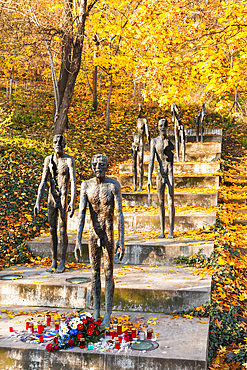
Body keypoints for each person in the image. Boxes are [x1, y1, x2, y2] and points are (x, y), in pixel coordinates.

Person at [74, 154, 125, 327]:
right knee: (94, 273)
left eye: (102, 164)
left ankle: (108, 312)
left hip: (108, 233)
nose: (98, 167)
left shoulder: (113, 185)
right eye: (95, 164)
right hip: (93, 233)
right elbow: (81, 212)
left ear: (107, 165)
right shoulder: (86, 185)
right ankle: (96, 310)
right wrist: (78, 239)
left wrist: (121, 240)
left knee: (108, 273)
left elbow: (119, 213)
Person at [34, 134, 76, 273]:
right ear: (52, 144)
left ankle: (62, 261)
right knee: (52, 230)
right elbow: (43, 181)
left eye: (60, 142)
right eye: (55, 142)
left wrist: (72, 201)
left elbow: (74, 181)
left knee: (62, 230)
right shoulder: (48, 160)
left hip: (63, 197)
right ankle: (53, 260)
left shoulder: (69, 160)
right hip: (52, 198)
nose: (57, 143)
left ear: (64, 144)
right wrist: (37, 201)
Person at [147, 119, 175, 238]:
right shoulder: (154, 141)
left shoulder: (171, 141)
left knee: (171, 200)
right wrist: (149, 178)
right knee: (160, 202)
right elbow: (151, 160)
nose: (162, 127)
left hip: (169, 171)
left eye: (164, 125)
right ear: (158, 127)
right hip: (160, 172)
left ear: (167, 127)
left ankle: (171, 230)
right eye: (160, 125)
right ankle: (162, 230)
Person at [131, 104, 150, 191]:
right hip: (135, 142)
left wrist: (149, 143)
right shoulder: (137, 120)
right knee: (134, 164)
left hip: (141, 143)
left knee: (140, 164)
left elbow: (147, 134)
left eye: (140, 109)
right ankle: (135, 184)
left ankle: (140, 185)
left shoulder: (144, 120)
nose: (139, 111)